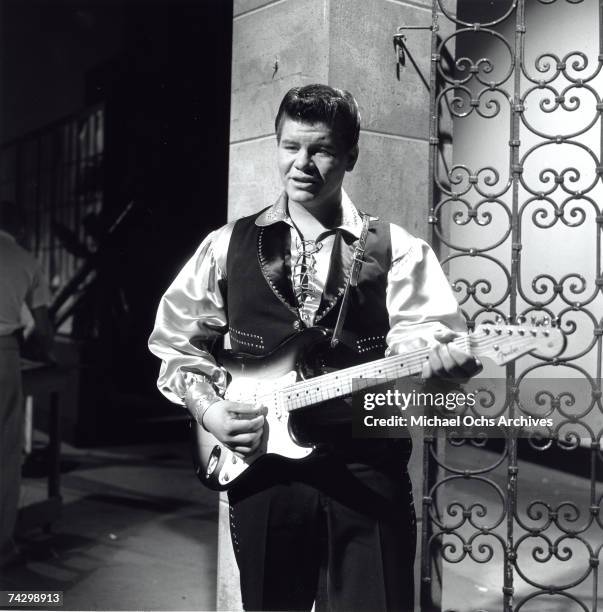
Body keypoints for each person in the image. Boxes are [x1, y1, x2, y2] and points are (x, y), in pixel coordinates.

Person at [149, 84, 480, 611]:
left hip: (367, 468)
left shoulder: (399, 251)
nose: (301, 164)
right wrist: (208, 411)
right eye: (289, 147)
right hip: (264, 471)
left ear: (351, 154)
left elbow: (425, 344)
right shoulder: (225, 244)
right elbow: (178, 344)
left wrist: (443, 368)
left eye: (320, 149)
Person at [0, 201, 54, 567]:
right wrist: (41, 350)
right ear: (18, 227)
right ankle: (2, 547)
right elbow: (44, 330)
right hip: (4, 355)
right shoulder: (26, 260)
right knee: (5, 453)